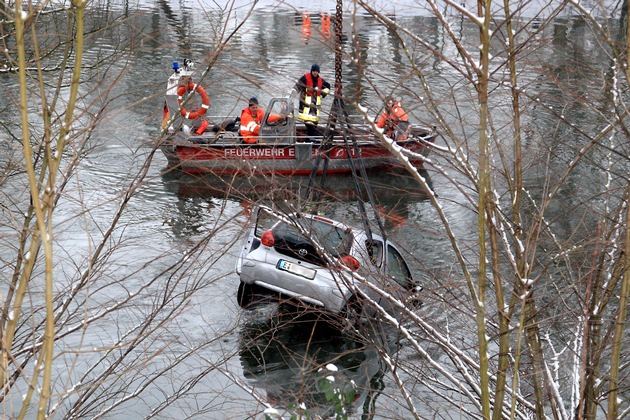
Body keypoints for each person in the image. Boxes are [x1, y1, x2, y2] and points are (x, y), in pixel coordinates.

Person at [294, 64, 331, 138]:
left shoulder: (320, 80)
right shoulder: (305, 78)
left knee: (314, 123)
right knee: (307, 122)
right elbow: (298, 85)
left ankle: (312, 138)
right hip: (305, 105)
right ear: (311, 71)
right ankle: (312, 138)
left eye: (316, 71)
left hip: (315, 107)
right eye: (314, 71)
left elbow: (328, 87)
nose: (315, 72)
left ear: (318, 72)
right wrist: (294, 91)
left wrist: (322, 94)